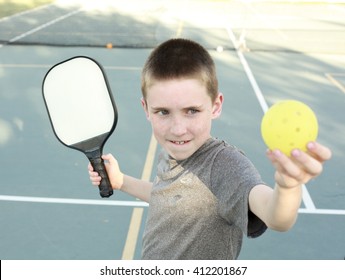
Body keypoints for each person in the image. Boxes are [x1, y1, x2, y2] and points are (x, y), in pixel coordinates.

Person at [88, 38, 332, 259]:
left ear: (215, 106)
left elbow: (276, 216)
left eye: (192, 111)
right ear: (146, 109)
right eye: (163, 112)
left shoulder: (225, 166)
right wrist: (121, 181)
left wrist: (288, 186)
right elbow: (169, 195)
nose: (178, 129)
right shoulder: (173, 152)